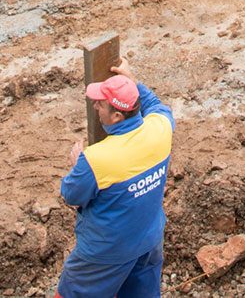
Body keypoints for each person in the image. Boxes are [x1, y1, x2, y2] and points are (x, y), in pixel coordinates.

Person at [55, 62, 173, 298]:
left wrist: (78, 166)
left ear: (117, 116)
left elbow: (71, 195)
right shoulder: (161, 129)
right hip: (149, 240)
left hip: (105, 252)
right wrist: (134, 83)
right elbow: (157, 106)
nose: (95, 106)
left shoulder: (95, 159)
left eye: (101, 103)